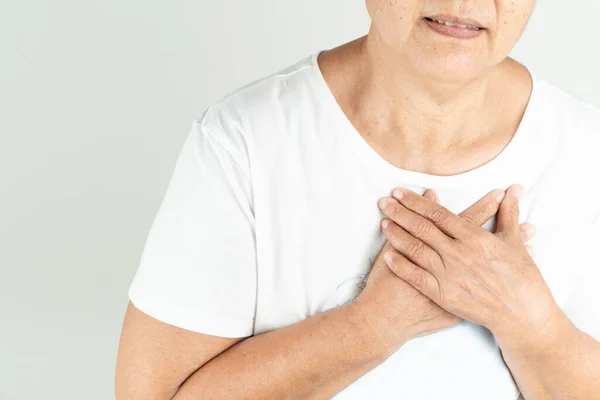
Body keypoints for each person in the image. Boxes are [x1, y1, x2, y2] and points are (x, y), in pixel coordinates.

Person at [115, 1, 600, 399]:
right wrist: (372, 326)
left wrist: (535, 329)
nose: (462, 3)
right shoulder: (246, 142)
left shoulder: (586, 153)